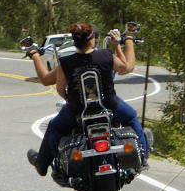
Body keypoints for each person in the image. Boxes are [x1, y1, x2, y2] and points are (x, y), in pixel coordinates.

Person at [24, 21, 149, 176]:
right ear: (92, 40)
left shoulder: (66, 62)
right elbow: (127, 67)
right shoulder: (106, 56)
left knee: (54, 127)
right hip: (110, 105)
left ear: (74, 41)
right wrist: (125, 40)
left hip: (77, 109)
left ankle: (44, 164)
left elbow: (53, 84)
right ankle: (142, 156)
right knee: (131, 118)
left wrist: (35, 54)